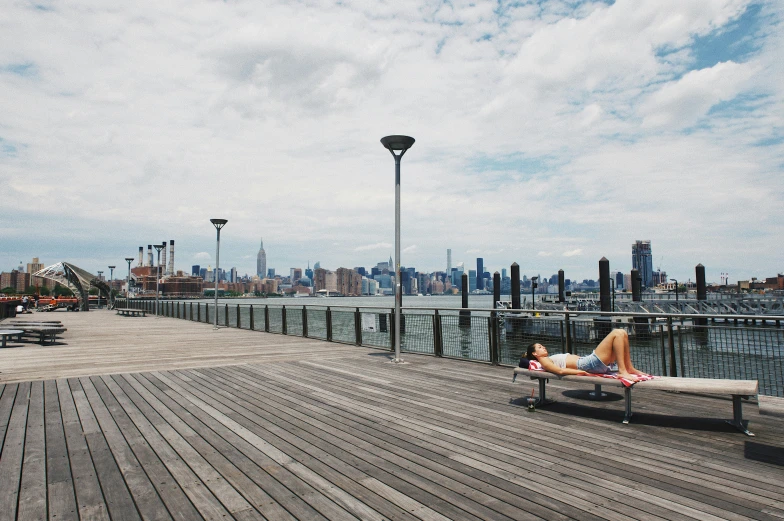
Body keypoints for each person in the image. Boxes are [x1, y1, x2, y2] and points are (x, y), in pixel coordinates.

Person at [524, 329, 647, 381]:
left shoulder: (547, 359)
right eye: (539, 347)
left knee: (623, 334)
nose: (543, 347)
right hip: (588, 365)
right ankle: (623, 370)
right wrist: (582, 372)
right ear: (535, 354)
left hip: (589, 363)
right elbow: (560, 371)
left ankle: (628, 368)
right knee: (617, 333)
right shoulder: (544, 361)